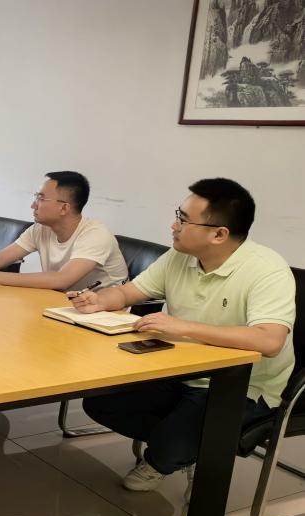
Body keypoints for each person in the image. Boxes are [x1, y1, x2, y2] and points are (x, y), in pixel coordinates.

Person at [69, 178, 295, 493]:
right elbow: (130, 292)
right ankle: (185, 446)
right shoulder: (180, 256)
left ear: (219, 234)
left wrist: (183, 327)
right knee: (100, 402)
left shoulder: (266, 270)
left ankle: (171, 452)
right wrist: (100, 300)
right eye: (178, 215)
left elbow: (269, 341)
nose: (174, 226)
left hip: (238, 384)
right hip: (178, 368)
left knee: (171, 443)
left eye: (184, 220)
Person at [0, 171, 128, 291]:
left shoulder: (96, 234)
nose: (33, 205)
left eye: (41, 199)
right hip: (64, 304)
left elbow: (61, 280)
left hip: (106, 312)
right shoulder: (40, 229)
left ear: (64, 208)